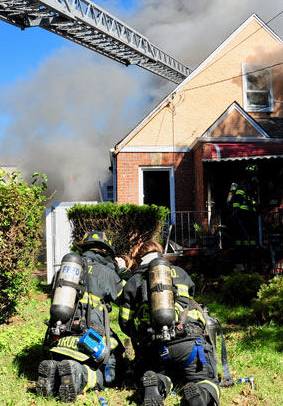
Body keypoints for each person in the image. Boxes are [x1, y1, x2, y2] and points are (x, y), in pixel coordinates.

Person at [118, 240, 220, 406]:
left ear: (139, 257)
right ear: (160, 253)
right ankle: (201, 395)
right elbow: (189, 299)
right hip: (188, 342)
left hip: (154, 348)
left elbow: (124, 323)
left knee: (163, 372)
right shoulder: (180, 272)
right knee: (205, 380)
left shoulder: (133, 281)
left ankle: (156, 383)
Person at [36, 231, 126, 402]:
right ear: (105, 251)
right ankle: (81, 375)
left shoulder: (66, 271)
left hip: (60, 336)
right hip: (90, 338)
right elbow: (125, 297)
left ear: (84, 248)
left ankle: (54, 372)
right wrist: (120, 269)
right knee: (112, 371)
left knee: (63, 364)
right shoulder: (106, 273)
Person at [226, 164, 260, 247]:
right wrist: (237, 210)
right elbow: (239, 198)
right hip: (243, 213)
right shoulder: (243, 185)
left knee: (248, 231)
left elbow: (247, 198)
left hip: (247, 212)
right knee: (244, 231)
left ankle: (250, 246)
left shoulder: (248, 185)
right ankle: (244, 248)